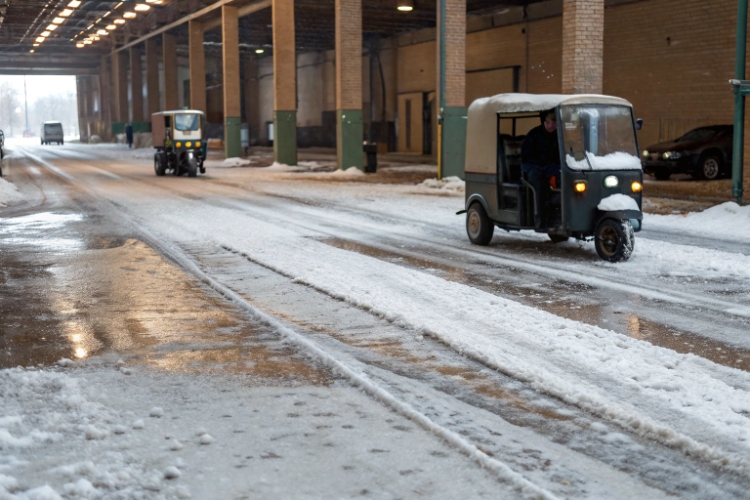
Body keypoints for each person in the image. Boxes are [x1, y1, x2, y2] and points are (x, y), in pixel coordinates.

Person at [521, 109, 561, 229]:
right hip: (533, 167)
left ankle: (560, 215)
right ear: (544, 122)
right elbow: (525, 155)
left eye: (553, 123)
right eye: (548, 122)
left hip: (550, 167)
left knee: (565, 180)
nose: (550, 126)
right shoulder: (534, 134)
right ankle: (540, 219)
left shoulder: (559, 136)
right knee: (540, 184)